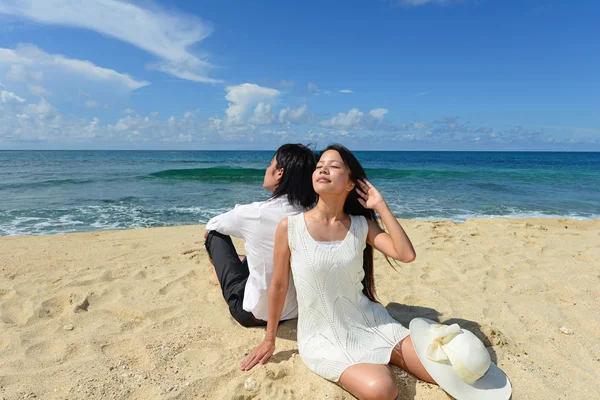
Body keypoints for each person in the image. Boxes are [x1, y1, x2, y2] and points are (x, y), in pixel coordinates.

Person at [241, 144, 435, 400]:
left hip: (371, 322)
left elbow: (406, 254)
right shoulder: (290, 227)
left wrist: (381, 206)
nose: (323, 170)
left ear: (350, 184)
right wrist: (270, 339)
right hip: (324, 336)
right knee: (383, 390)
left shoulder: (361, 225)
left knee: (438, 369)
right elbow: (278, 285)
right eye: (319, 166)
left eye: (334, 167)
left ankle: (381, 356)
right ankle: (371, 364)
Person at [204, 144, 316, 328]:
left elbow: (211, 226)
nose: (266, 169)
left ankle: (221, 273)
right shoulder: (314, 213)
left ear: (279, 173)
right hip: (296, 309)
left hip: (255, 314)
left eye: (270, 163)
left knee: (214, 235)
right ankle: (238, 265)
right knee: (266, 248)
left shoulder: (253, 213)